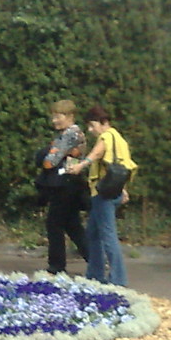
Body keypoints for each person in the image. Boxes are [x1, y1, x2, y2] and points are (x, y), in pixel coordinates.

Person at [67, 105, 137, 286]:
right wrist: (123, 189)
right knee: (93, 234)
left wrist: (81, 166)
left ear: (104, 123)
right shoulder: (120, 139)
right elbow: (119, 167)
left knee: (107, 236)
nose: (91, 130)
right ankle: (95, 274)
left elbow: (97, 154)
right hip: (112, 191)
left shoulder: (106, 136)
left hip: (102, 193)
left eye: (92, 125)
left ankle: (118, 279)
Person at [35, 99, 89, 274]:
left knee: (54, 224)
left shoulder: (69, 135)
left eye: (58, 116)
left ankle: (57, 266)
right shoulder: (75, 134)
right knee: (72, 225)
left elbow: (49, 162)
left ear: (70, 116)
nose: (54, 121)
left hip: (64, 185)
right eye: (53, 117)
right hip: (72, 184)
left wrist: (46, 152)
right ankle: (96, 261)